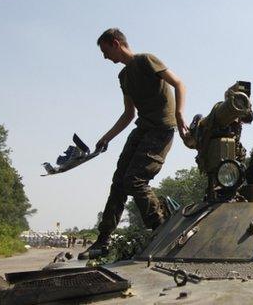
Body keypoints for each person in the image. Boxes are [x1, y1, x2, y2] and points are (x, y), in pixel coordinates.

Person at [79, 28, 188, 260]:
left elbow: (178, 83)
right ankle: (103, 239)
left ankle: (159, 229)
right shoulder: (123, 77)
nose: (105, 57)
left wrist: (179, 115)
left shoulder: (146, 61)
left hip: (161, 128)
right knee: (119, 182)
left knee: (135, 180)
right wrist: (107, 136)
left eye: (105, 51)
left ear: (116, 43)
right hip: (143, 128)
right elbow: (129, 114)